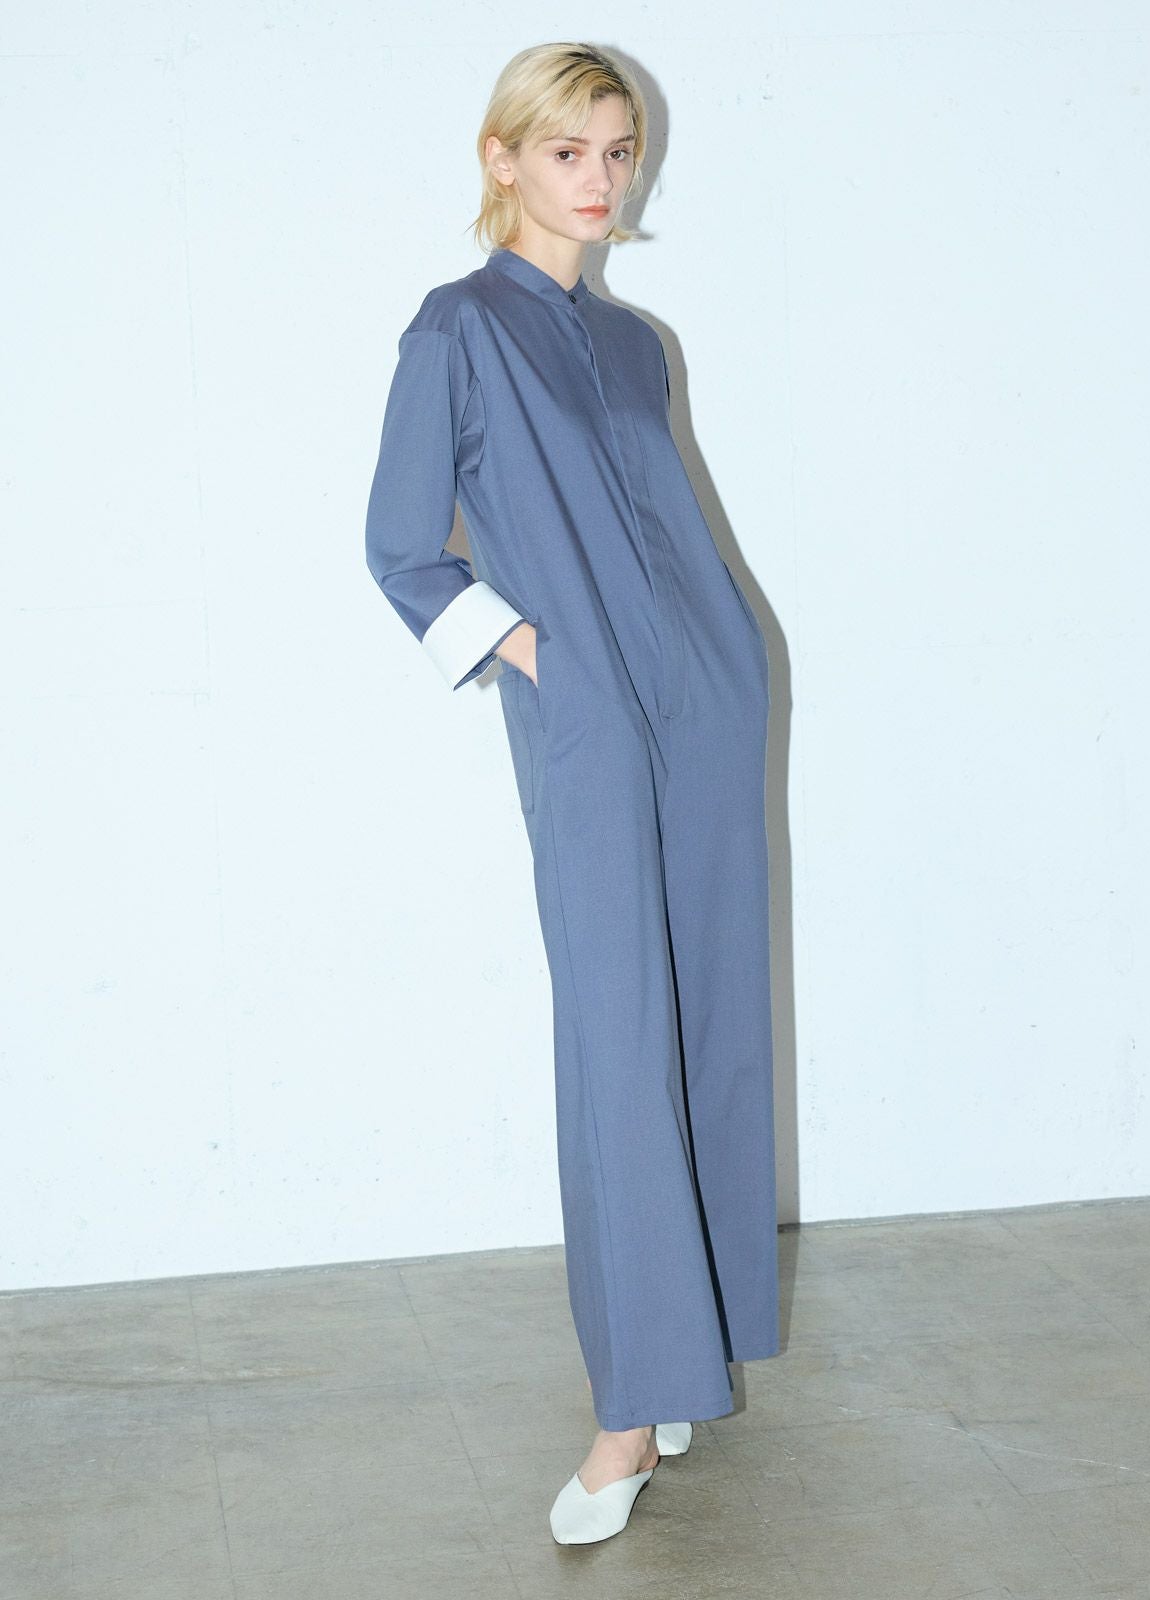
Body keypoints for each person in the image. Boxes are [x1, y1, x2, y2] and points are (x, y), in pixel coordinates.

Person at [364, 42, 779, 1544]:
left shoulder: (635, 342)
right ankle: (627, 1412)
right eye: (568, 151)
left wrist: (718, 665)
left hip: (710, 707)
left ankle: (690, 1354)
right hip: (592, 724)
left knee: (711, 1021)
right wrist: (534, 655)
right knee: (618, 1044)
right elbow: (401, 545)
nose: (601, 179)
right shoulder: (457, 330)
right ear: (503, 160)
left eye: (618, 150)